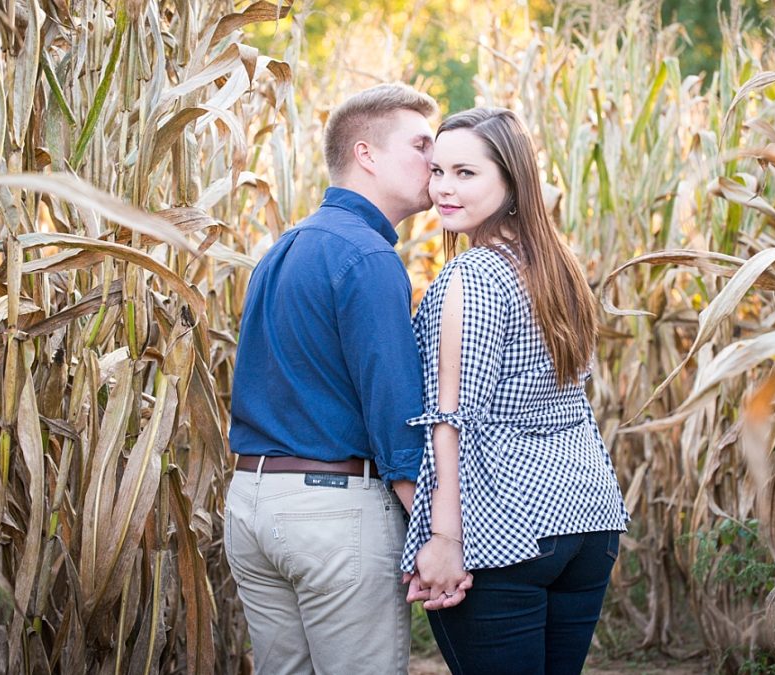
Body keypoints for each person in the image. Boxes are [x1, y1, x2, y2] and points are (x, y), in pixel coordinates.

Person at [225, 83, 469, 674]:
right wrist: (442, 538)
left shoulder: (281, 250)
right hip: (330, 515)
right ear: (367, 155)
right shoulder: (368, 257)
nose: (432, 164)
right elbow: (395, 417)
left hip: (251, 508)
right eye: (419, 146)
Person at [401, 108, 631, 675]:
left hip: (510, 527)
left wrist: (443, 536)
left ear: (511, 183)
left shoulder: (471, 275)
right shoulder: (559, 269)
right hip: (589, 517)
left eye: (466, 173)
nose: (444, 189)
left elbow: (451, 419)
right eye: (437, 172)